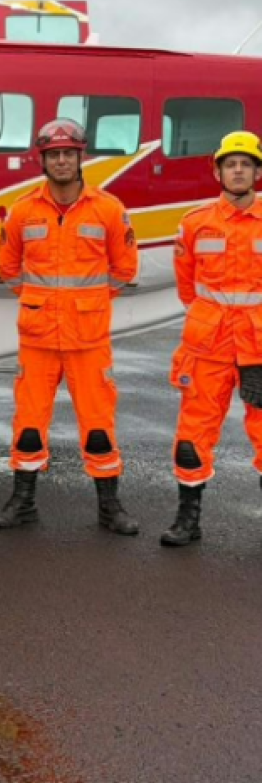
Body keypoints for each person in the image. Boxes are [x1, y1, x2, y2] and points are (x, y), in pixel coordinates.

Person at [0, 118, 139, 534]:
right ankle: (22, 503)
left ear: (80, 158)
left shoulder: (108, 209)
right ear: (43, 161)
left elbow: (124, 269)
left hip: (88, 340)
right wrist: (44, 303)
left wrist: (86, 304)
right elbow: (9, 270)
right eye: (53, 155)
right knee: (27, 427)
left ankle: (109, 509)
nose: (61, 161)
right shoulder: (23, 211)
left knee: (98, 428)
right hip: (38, 339)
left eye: (68, 154)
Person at [162, 131, 262, 546]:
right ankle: (188, 519)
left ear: (257, 172)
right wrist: (211, 319)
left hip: (259, 346)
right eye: (230, 164)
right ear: (218, 171)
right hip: (208, 347)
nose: (237, 170)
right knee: (192, 437)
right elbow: (188, 287)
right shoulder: (195, 223)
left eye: (246, 164)